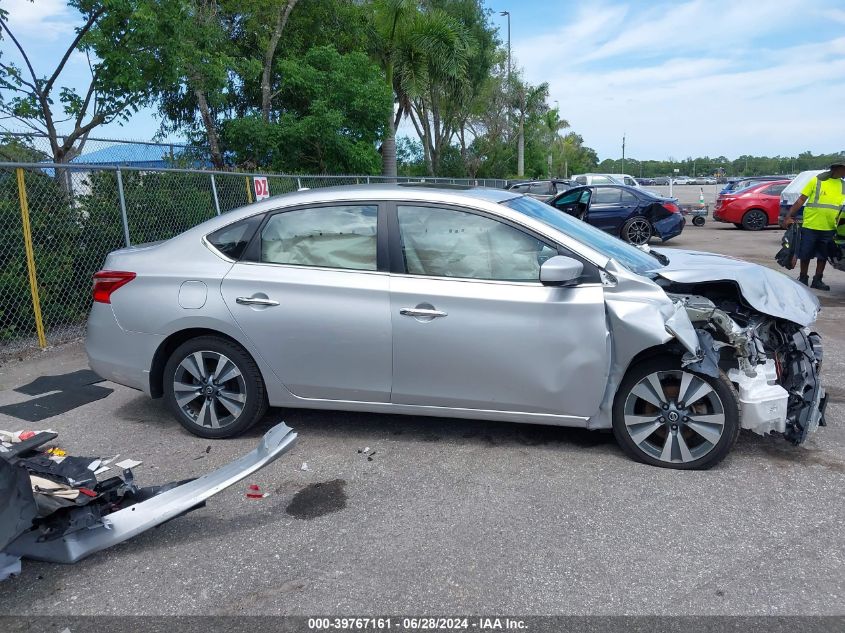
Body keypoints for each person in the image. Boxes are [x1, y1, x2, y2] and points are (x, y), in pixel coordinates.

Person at [782, 162, 845, 290]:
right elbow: (801, 199)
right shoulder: (816, 181)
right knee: (805, 254)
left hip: (830, 227)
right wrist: (788, 216)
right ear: (836, 169)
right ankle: (803, 278)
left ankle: (817, 280)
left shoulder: (843, 185)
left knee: (823, 256)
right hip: (810, 225)